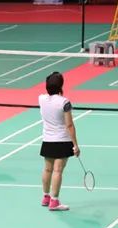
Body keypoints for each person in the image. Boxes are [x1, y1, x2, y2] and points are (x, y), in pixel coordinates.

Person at [38, 71, 80, 212]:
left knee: (47, 169)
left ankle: (46, 197)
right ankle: (54, 201)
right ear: (61, 86)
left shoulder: (41, 99)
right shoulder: (64, 102)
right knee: (57, 170)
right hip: (62, 140)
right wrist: (75, 145)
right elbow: (69, 125)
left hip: (47, 140)